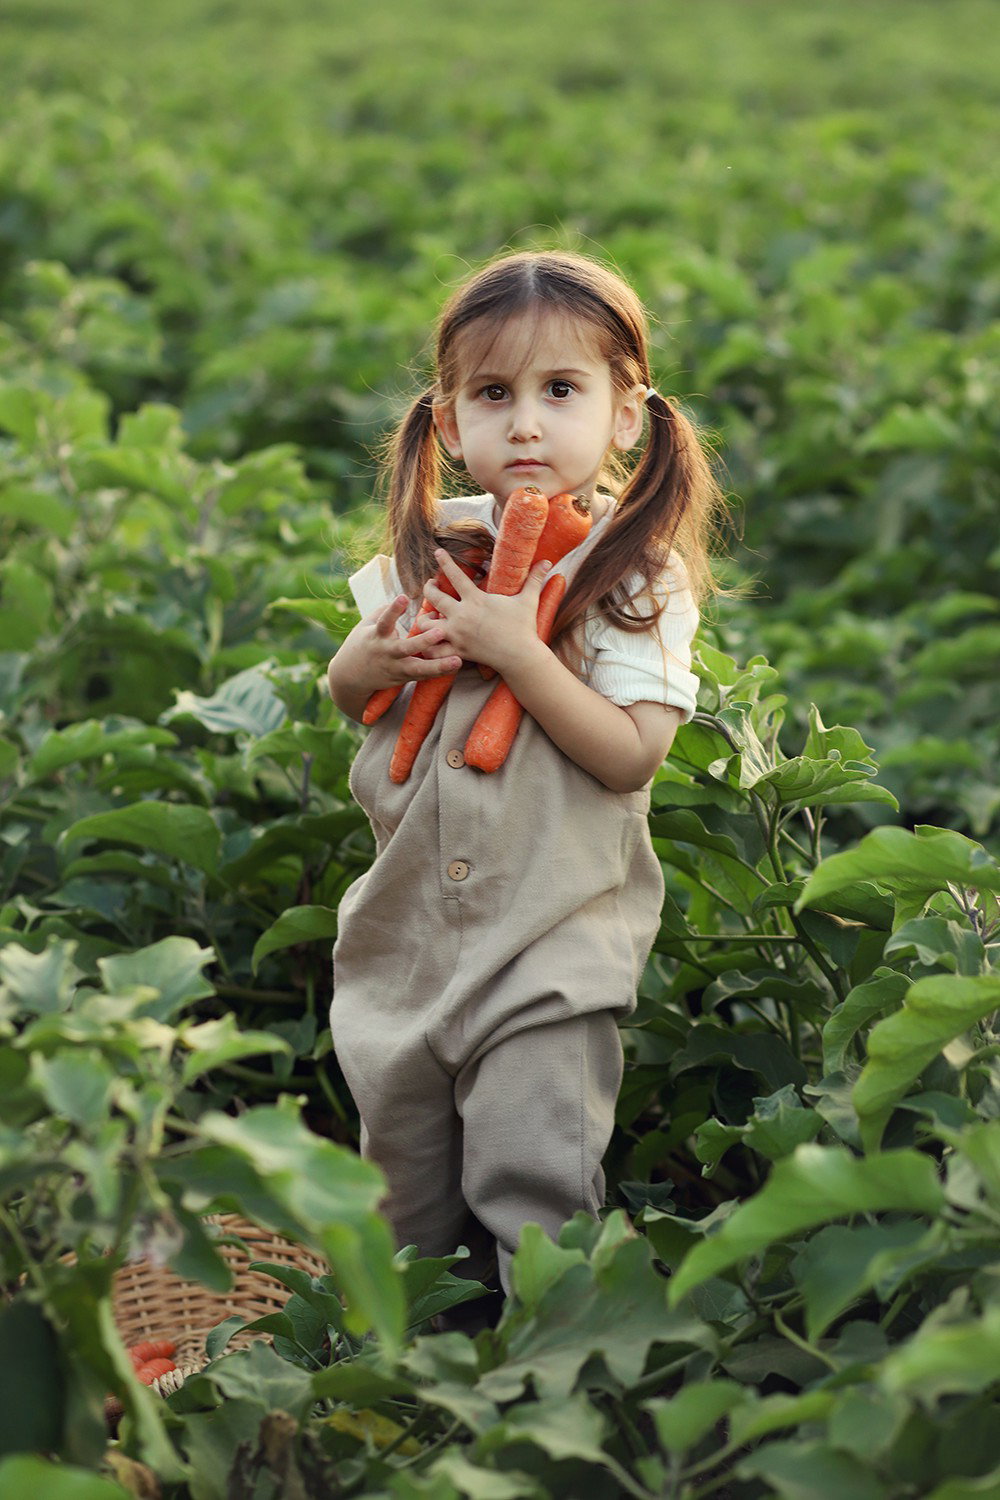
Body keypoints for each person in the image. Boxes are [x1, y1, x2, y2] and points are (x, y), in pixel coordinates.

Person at [326, 248, 723, 1318]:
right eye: (495, 395)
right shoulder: (433, 554)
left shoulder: (631, 579)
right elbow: (352, 696)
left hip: (550, 947)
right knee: (399, 1209)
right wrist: (370, 660)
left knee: (533, 1186)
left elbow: (632, 753)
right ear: (450, 424)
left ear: (625, 415)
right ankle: (407, 1377)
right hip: (408, 946)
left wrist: (520, 653)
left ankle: (551, 1374)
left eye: (560, 390)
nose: (528, 425)